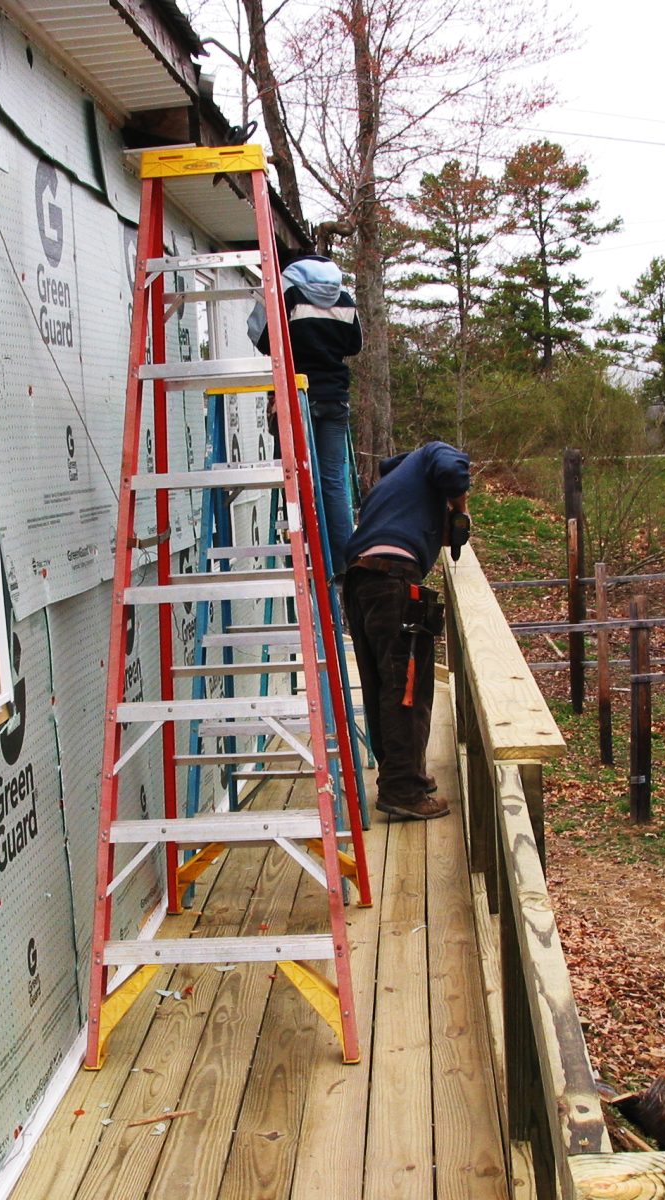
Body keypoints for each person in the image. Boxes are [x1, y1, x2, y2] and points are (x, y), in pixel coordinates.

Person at [342, 440, 470, 820]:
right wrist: (461, 508)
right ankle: (402, 790)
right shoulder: (431, 454)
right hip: (393, 579)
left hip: (361, 582)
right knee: (407, 688)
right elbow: (452, 468)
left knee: (384, 684)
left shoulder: (393, 488)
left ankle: (404, 775)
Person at [247, 253, 362, 571]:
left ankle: (307, 558)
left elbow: (260, 336)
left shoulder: (286, 289)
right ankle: (342, 565)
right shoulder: (344, 296)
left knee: (298, 479)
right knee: (333, 482)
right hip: (334, 397)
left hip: (296, 394)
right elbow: (355, 344)